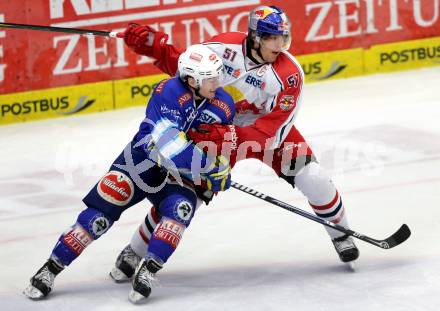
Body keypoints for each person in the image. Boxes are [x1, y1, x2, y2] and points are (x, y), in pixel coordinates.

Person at [110, 5, 360, 283]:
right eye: (272, 38)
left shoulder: (290, 74)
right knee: (182, 196)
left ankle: (342, 234)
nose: (280, 45)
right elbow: (189, 70)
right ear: (255, 36)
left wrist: (229, 137)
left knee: (314, 177)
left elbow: (273, 131)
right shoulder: (223, 47)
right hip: (215, 129)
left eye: (283, 38)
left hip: (264, 132)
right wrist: (156, 48)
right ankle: (135, 250)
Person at [23, 44, 236, 303]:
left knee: (181, 209)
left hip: (177, 176)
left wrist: (221, 168)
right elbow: (167, 143)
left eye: (218, 76)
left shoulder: (224, 104)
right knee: (98, 217)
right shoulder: (168, 91)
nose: (218, 83)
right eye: (211, 78)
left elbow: (222, 145)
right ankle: (51, 268)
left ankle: (147, 270)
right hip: (141, 163)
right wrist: (207, 168)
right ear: (191, 79)